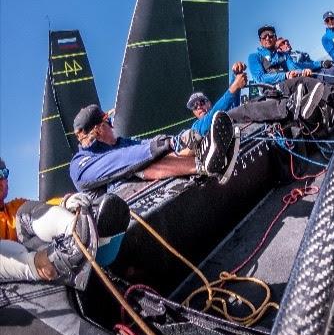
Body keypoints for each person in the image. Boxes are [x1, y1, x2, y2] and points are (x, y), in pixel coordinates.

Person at [69, 104, 235, 193]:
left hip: (146, 185)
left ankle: (210, 152)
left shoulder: (123, 143)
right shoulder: (79, 165)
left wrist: (183, 141)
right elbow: (121, 161)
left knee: (157, 151)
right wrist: (167, 144)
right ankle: (205, 165)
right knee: (137, 166)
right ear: (99, 129)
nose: (113, 127)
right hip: (126, 203)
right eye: (109, 122)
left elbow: (148, 145)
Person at [1, 157, 93, 285]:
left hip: (42, 252)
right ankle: (45, 265)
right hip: (21, 271)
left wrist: (65, 202)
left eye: (2, 173)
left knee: (25, 211)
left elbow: (43, 208)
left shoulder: (15, 208)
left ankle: (79, 230)